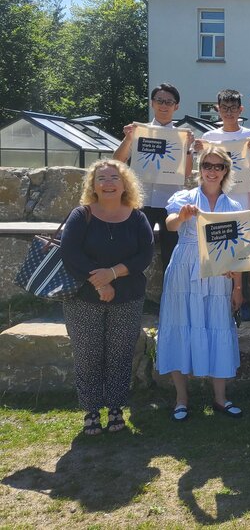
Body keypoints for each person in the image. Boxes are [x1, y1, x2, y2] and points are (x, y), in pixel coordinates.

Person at [60, 160, 154, 435]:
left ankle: (115, 408)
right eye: (101, 178)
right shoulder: (81, 215)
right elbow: (71, 254)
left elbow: (144, 256)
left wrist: (112, 273)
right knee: (87, 354)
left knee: (120, 355)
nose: (108, 183)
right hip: (83, 298)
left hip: (128, 297)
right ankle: (91, 410)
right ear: (93, 185)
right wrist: (100, 284)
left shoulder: (137, 218)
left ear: (125, 184)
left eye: (114, 177)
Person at [156, 144, 244, 421]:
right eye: (207, 165)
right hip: (184, 268)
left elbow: (238, 251)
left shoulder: (233, 206)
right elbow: (169, 224)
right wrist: (181, 216)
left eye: (218, 166)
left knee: (218, 325)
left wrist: (238, 287)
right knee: (179, 325)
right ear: (200, 168)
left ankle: (220, 398)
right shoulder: (184, 197)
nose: (212, 171)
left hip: (218, 271)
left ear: (225, 170)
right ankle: (181, 399)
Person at [113, 83, 192, 271]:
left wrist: (188, 148)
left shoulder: (183, 136)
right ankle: (133, 289)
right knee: (135, 252)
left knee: (171, 256)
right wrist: (128, 138)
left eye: (169, 102)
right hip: (142, 201)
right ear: (152, 103)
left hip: (170, 203)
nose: (164, 105)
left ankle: (169, 290)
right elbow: (117, 161)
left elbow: (187, 173)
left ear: (176, 106)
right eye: (159, 101)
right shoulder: (139, 132)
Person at [196, 88, 250, 209]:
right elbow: (203, 169)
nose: (229, 112)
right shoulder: (208, 137)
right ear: (218, 109)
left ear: (240, 110)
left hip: (243, 195)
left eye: (233, 108)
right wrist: (198, 150)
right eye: (224, 108)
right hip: (216, 195)